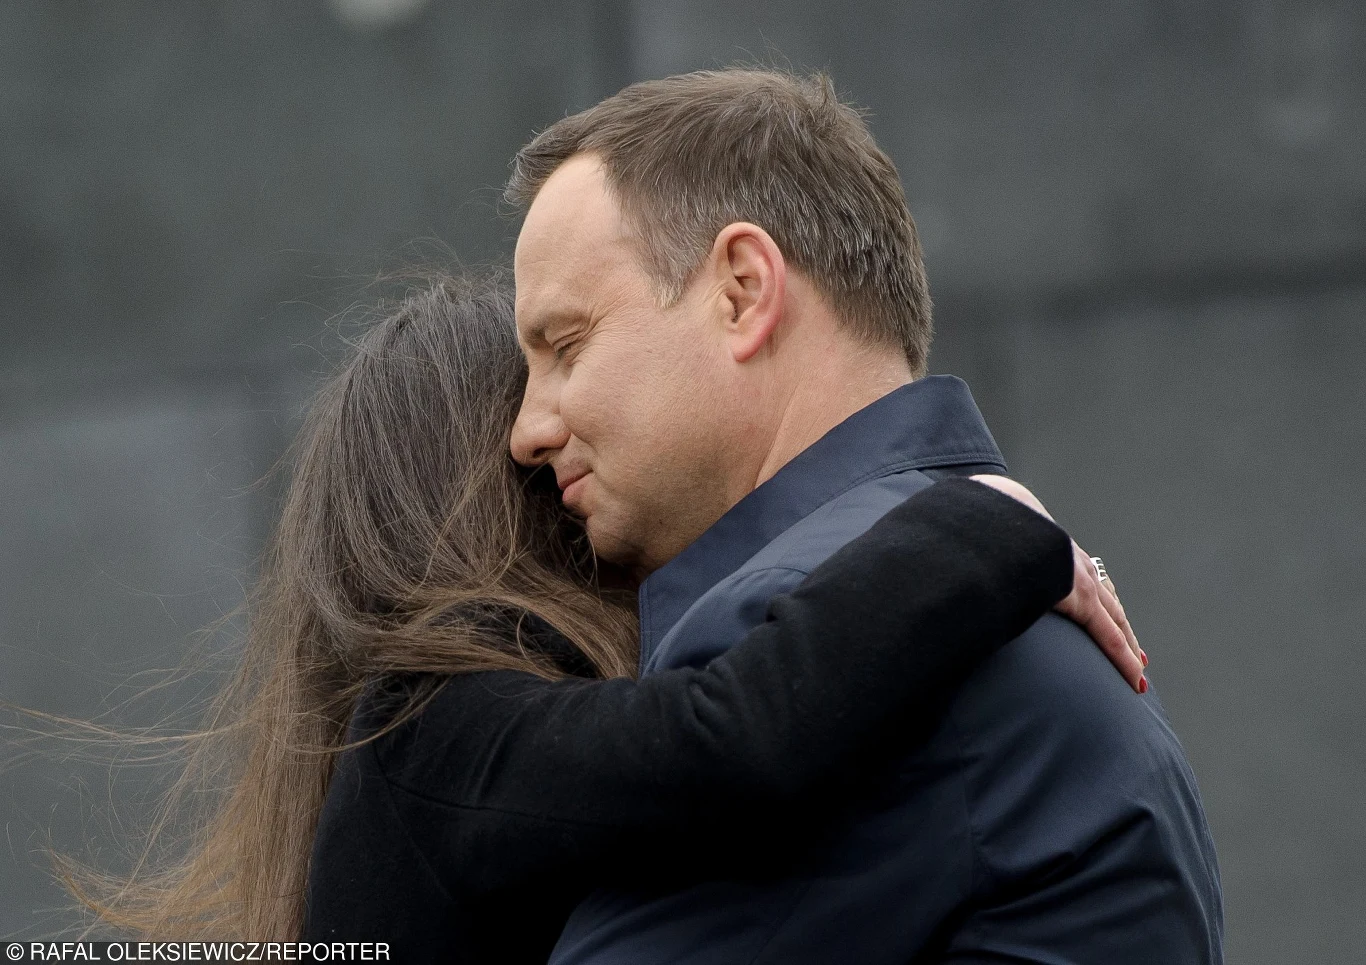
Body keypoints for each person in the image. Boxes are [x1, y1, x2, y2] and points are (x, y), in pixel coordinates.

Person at [59, 274, 1127, 956]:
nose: (560, 427)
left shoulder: (413, 744)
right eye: (543, 390)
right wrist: (985, 521)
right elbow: (729, 738)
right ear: (508, 478)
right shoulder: (434, 725)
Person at [506, 68, 1223, 963]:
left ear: (742, 290)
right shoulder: (982, 596)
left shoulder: (811, 632)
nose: (526, 431)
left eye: (566, 345)